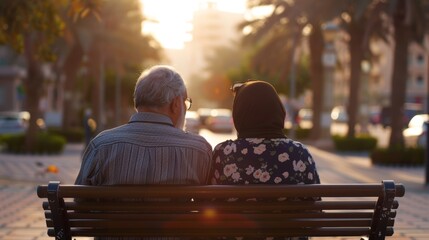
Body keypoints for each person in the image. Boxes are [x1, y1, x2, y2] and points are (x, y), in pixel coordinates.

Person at [210, 80, 320, 240]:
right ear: (278, 111)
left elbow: (210, 206)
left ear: (240, 114)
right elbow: (314, 214)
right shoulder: (300, 153)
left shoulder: (224, 153)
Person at [75, 65, 213, 186]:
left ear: (138, 101)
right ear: (176, 104)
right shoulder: (199, 150)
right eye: (185, 103)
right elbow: (208, 206)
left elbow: (80, 200)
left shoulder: (101, 146)